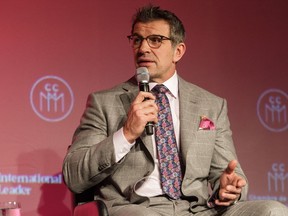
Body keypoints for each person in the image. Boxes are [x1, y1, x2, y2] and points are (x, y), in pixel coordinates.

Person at [62, 5, 288, 216]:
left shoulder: (210, 104)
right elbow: (74, 176)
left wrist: (230, 188)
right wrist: (127, 133)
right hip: (137, 208)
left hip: (199, 210)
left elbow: (229, 174)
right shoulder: (104, 103)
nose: (143, 48)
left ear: (178, 51)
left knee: (273, 210)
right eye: (137, 40)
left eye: (155, 40)